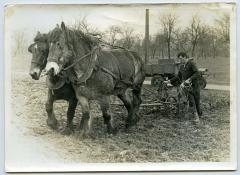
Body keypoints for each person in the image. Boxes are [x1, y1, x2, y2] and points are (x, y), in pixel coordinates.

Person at [164, 52, 202, 122]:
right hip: (187, 87)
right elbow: (178, 76)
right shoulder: (181, 66)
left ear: (185, 57)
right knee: (191, 101)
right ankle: (196, 118)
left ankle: (199, 115)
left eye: (181, 58)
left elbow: (197, 73)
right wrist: (169, 81)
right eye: (179, 58)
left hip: (195, 86)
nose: (180, 60)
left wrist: (189, 79)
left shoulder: (191, 64)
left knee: (197, 102)